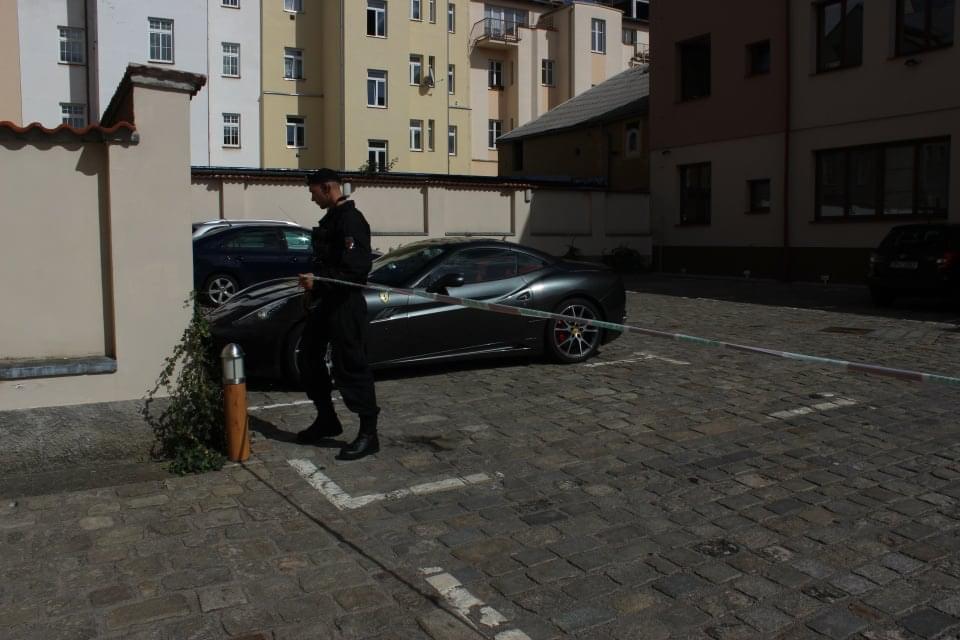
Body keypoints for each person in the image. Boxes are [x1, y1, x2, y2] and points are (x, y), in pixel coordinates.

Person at [296, 168, 381, 461]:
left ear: (327, 187)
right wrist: (313, 289)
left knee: (351, 366)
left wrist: (318, 282)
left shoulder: (351, 221)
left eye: (313, 192)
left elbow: (356, 270)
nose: (312, 198)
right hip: (326, 303)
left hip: (345, 305)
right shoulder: (332, 219)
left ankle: (369, 434)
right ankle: (327, 419)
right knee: (308, 357)